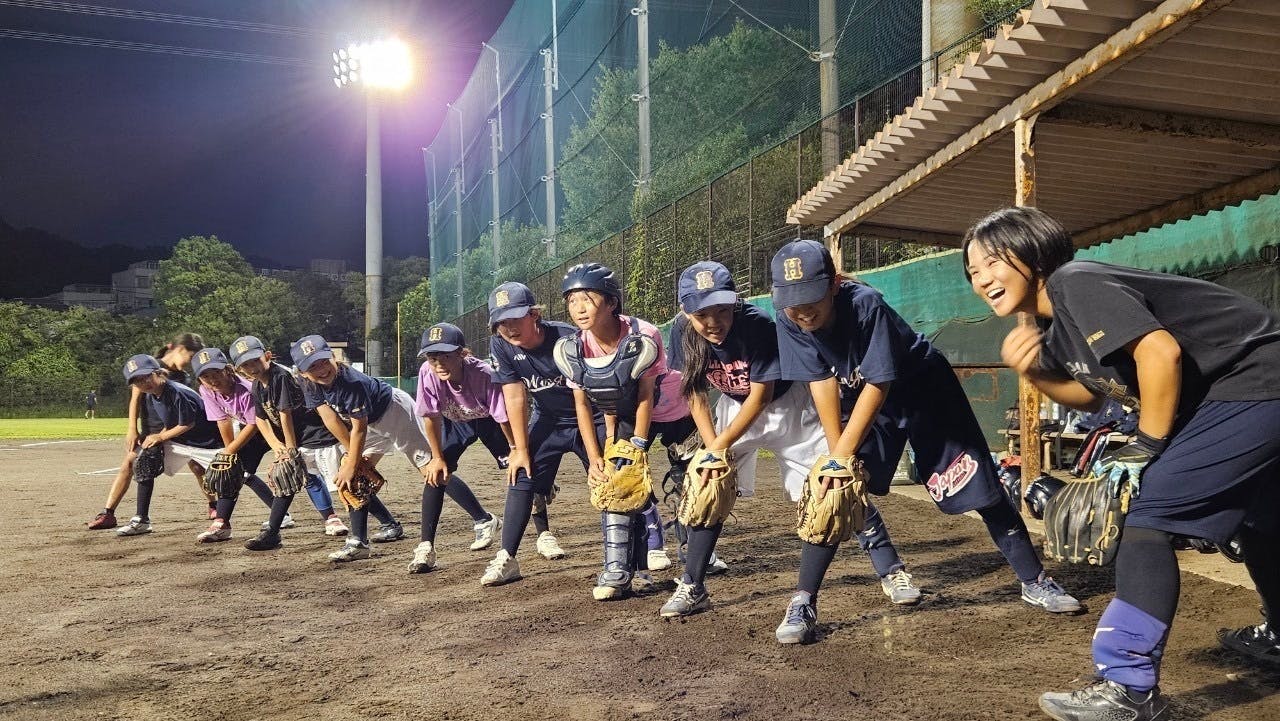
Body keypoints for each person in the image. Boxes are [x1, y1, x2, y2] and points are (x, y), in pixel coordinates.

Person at [963, 206, 1280, 721]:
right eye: (972, 271)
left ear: (1032, 254)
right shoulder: (1055, 326)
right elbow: (1095, 398)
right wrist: (1036, 372)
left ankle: (1127, 689)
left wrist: (1147, 445)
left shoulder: (1075, 282)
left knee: (1145, 517)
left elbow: (1160, 353)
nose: (981, 279)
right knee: (1263, 518)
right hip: (1249, 394)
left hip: (1257, 382)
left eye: (991, 262)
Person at [770, 239, 1079, 644]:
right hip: (860, 396)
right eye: (792, 301)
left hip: (923, 390)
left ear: (833, 284)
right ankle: (804, 600)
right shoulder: (788, 319)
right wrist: (837, 458)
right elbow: (820, 381)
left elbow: (881, 381)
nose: (802, 310)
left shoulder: (864, 304)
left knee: (981, 487)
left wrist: (842, 452)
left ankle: (1034, 580)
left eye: (811, 296)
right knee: (833, 488)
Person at [659, 261, 828, 618]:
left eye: (722, 310)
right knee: (708, 482)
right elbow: (695, 393)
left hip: (789, 408)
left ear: (735, 301)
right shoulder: (682, 330)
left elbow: (761, 396)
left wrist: (719, 445)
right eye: (701, 313)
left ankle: (890, 567)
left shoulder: (758, 324)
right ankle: (692, 586)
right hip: (734, 406)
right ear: (684, 311)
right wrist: (712, 449)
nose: (713, 321)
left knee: (831, 489)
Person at [553, 262, 711, 600]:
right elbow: (583, 404)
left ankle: (698, 553)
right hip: (627, 414)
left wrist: (637, 444)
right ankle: (619, 569)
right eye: (572, 301)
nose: (578, 308)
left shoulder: (643, 334)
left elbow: (645, 394)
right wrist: (597, 455)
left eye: (587, 299)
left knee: (690, 481)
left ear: (611, 302)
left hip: (674, 409)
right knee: (618, 480)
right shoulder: (573, 347)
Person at [293, 335, 494, 562]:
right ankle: (359, 542)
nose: (321, 369)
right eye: (312, 366)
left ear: (332, 356)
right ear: (302, 372)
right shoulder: (307, 383)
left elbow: (359, 429)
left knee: (431, 470)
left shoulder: (351, 382)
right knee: (356, 477)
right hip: (371, 423)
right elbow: (330, 418)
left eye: (323, 361)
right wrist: (352, 459)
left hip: (395, 412)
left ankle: (483, 519)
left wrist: (352, 463)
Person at [482, 283, 586, 582]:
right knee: (520, 473)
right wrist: (520, 449)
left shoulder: (568, 338)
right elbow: (515, 396)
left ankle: (643, 549)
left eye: (516, 318)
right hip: (548, 419)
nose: (509, 328)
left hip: (587, 419)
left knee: (613, 478)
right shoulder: (501, 344)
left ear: (534, 314)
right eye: (502, 322)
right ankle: (507, 557)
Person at [414, 322, 519, 581]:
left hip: (489, 421)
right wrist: (437, 458)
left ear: (462, 353)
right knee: (435, 474)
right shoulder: (428, 372)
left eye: (446, 356)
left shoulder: (483, 373)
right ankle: (426, 547)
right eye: (432, 357)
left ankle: (544, 534)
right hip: (456, 422)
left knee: (521, 471)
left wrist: (516, 449)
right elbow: (431, 417)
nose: (439, 363)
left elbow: (502, 416)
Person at [230, 336, 350, 550]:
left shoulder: (280, 376)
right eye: (246, 365)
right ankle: (273, 532)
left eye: (255, 360)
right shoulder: (258, 384)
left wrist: (290, 450)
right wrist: (277, 447)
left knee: (347, 482)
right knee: (288, 480)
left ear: (267, 356)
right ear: (239, 369)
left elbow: (285, 415)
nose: (252, 367)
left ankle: (387, 522)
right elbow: (260, 419)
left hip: (318, 437)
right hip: (301, 439)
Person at [88, 333, 206, 530]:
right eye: (192, 356)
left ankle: (213, 506)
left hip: (174, 430)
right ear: (180, 349)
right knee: (130, 463)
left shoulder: (182, 377)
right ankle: (108, 513)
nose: (191, 363)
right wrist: (132, 429)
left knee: (197, 467)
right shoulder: (150, 367)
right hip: (152, 430)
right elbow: (135, 399)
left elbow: (182, 413)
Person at [115, 353, 224, 537]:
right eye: (137, 381)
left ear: (159, 373)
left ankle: (276, 515)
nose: (144, 383)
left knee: (242, 475)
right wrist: (155, 439)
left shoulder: (176, 391)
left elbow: (187, 423)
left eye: (146, 376)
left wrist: (160, 436)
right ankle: (141, 520)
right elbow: (171, 422)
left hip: (208, 443)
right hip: (184, 441)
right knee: (146, 458)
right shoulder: (154, 395)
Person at [190, 347, 280, 543]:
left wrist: (230, 451)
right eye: (205, 376)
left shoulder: (246, 390)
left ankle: (329, 517)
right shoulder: (206, 390)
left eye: (216, 372)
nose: (212, 379)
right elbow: (223, 420)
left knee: (301, 471)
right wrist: (229, 453)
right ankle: (221, 524)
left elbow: (254, 424)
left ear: (228, 369)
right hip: (253, 429)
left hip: (273, 428)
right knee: (232, 471)